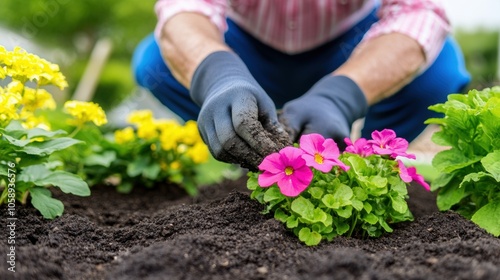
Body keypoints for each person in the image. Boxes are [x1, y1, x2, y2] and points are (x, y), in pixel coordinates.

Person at [132, 0, 470, 170]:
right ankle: (252, 154)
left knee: (438, 74)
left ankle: (361, 168)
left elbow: (418, 13)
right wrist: (216, 74)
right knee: (156, 64)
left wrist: (341, 96)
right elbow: (184, 8)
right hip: (245, 43)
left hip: (350, 44)